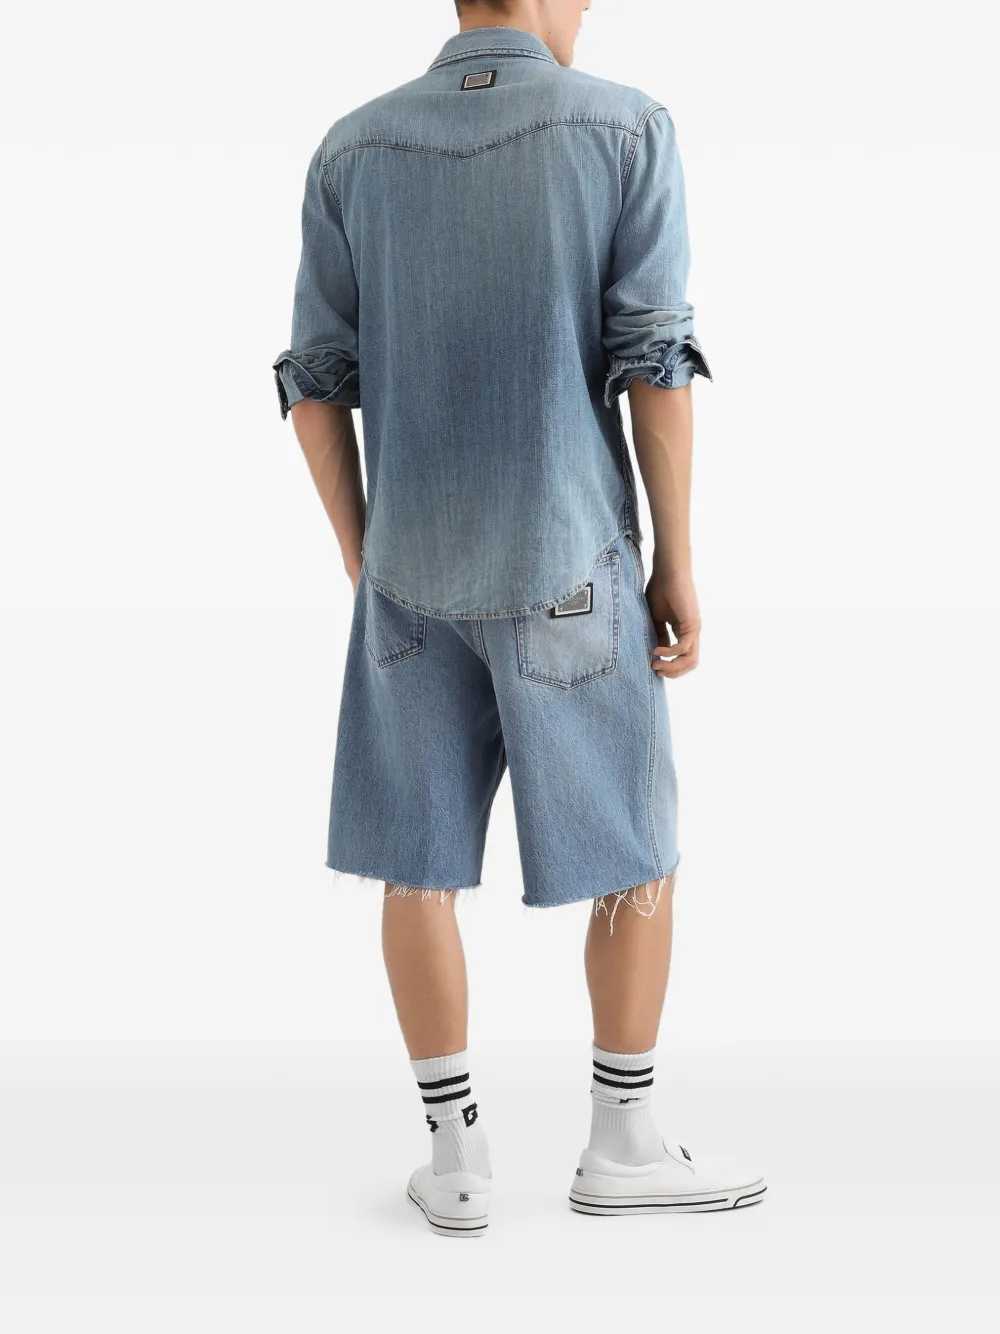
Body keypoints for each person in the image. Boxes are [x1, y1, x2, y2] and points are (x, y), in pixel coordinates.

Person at [272, 0, 765, 1236]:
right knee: (635, 855)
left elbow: (315, 382)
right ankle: (621, 1142)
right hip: (570, 565)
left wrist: (365, 552)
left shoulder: (351, 147)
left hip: (408, 571)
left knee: (416, 864)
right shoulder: (625, 129)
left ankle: (455, 1160)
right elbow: (654, 361)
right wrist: (678, 560)